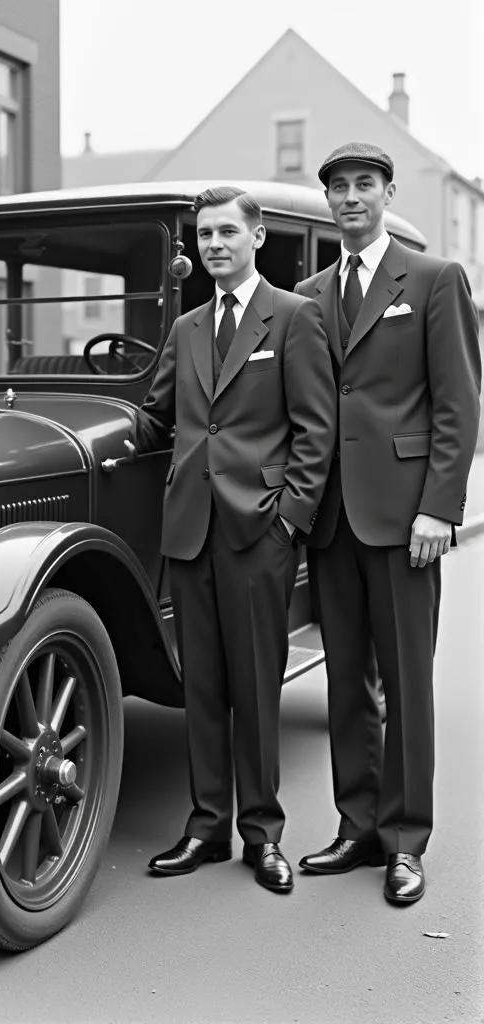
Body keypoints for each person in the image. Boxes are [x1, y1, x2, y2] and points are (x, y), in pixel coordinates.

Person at [135, 186, 336, 893]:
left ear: (256, 237)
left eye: (226, 232)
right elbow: (156, 417)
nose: (213, 245)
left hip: (260, 532)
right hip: (190, 530)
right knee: (205, 686)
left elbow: (317, 430)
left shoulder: (295, 318)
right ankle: (204, 827)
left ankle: (263, 834)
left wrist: (290, 519)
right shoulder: (187, 327)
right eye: (203, 236)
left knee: (255, 685)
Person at [295, 143, 481, 905]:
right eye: (338, 187)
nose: (349, 197)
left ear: (387, 193)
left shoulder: (434, 279)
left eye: (363, 185)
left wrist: (440, 506)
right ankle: (358, 825)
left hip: (407, 518)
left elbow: (458, 404)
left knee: (405, 684)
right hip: (333, 521)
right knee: (347, 683)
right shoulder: (308, 293)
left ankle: (406, 843)